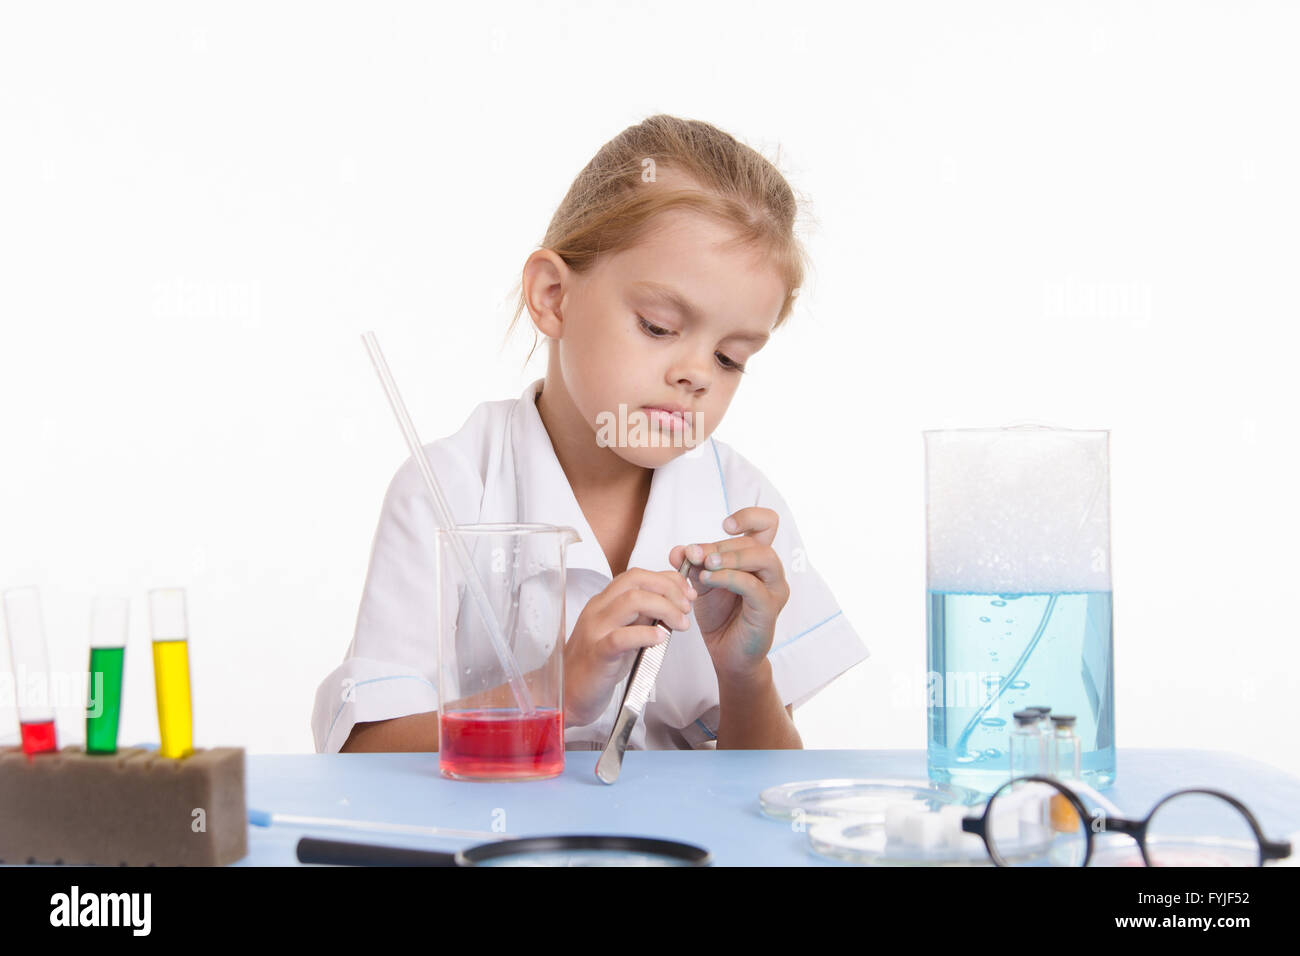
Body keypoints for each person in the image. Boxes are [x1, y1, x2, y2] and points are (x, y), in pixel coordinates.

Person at [312, 114, 868, 754]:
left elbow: (767, 783)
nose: (695, 374)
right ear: (553, 296)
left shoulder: (740, 507)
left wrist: (746, 676)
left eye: (730, 358)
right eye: (659, 327)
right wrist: (552, 691)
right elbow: (363, 754)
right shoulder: (446, 491)